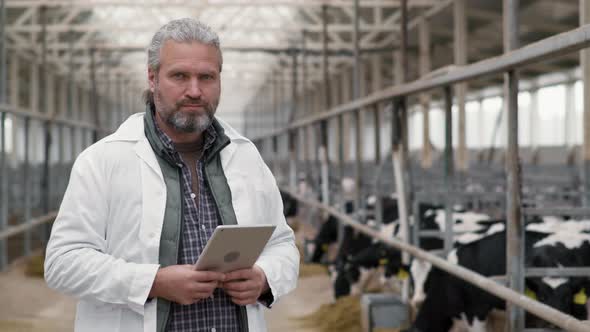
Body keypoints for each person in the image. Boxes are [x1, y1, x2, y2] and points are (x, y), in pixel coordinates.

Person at [44, 18, 299, 332]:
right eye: (180, 76)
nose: (194, 90)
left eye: (207, 77)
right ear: (152, 79)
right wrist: (152, 282)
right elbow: (62, 263)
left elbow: (283, 244)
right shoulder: (103, 160)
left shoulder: (246, 157)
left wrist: (264, 277)